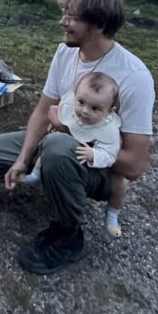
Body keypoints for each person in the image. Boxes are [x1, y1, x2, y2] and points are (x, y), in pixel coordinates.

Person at [0, 0, 154, 275]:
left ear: (99, 25)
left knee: (58, 148)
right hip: (54, 145)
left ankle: (67, 235)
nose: (62, 22)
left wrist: (65, 133)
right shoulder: (65, 53)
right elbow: (42, 110)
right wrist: (22, 159)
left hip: (98, 166)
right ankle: (51, 175)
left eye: (71, 17)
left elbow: (134, 165)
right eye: (63, 13)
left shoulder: (134, 77)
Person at [22, 71, 127, 238]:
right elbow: (57, 113)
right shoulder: (72, 105)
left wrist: (93, 153)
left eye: (95, 108)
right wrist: (56, 124)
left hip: (94, 159)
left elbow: (110, 153)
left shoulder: (108, 129)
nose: (85, 111)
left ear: (109, 111)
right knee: (51, 142)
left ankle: (112, 215)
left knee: (120, 185)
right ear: (75, 96)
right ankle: (35, 174)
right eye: (81, 102)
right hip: (68, 146)